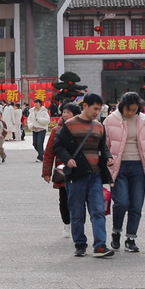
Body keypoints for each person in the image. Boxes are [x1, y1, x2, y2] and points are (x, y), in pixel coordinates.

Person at [53, 93, 115, 258]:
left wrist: (108, 157)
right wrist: (67, 159)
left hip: (95, 175)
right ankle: (80, 244)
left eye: (99, 109)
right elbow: (58, 146)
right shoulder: (69, 125)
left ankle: (100, 245)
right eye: (95, 108)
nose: (97, 112)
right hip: (76, 176)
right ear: (85, 106)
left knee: (98, 211)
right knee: (77, 212)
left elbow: (103, 147)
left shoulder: (99, 127)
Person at [104, 92, 145, 253]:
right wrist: (107, 159)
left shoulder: (143, 119)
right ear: (121, 106)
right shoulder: (110, 120)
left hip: (139, 166)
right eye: (128, 109)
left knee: (136, 205)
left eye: (134, 110)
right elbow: (105, 144)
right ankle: (116, 232)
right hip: (119, 166)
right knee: (121, 202)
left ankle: (131, 238)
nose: (131, 113)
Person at [43, 102, 82, 238]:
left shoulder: (83, 128)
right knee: (64, 199)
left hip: (80, 170)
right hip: (63, 171)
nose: (65, 114)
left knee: (79, 200)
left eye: (68, 112)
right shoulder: (57, 130)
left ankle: (78, 224)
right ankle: (67, 223)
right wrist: (46, 172)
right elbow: (49, 152)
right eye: (64, 112)